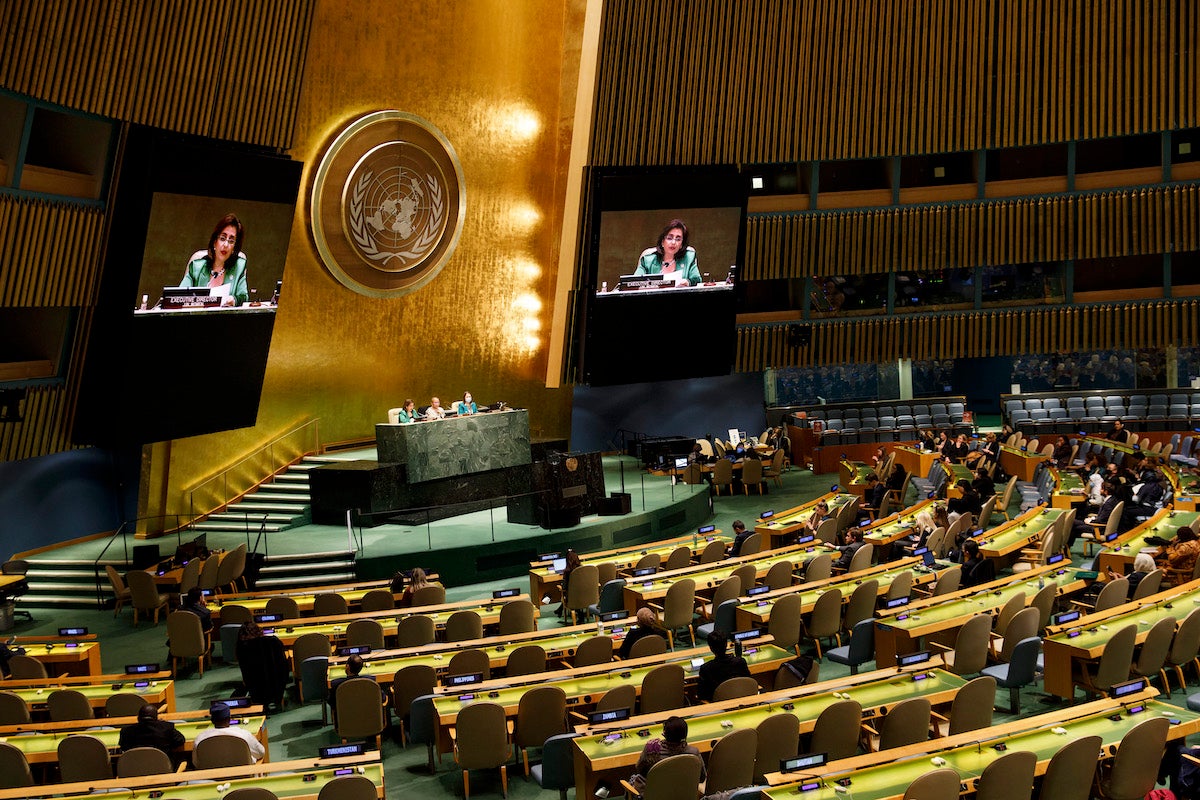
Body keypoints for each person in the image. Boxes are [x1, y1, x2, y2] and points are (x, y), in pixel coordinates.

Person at [180, 213, 248, 307]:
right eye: (222, 238)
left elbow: (243, 297)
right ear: (215, 242)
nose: (226, 245)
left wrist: (233, 300)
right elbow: (179, 296)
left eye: (231, 241)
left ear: (234, 248)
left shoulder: (239, 266)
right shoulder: (197, 267)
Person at [630, 716, 705, 791]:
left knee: (634, 779)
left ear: (665, 733)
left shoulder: (651, 749)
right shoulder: (694, 753)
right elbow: (701, 778)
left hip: (656, 794)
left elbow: (639, 769)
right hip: (683, 794)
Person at [235, 621, 289, 711]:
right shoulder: (273, 642)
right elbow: (284, 667)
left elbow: (246, 675)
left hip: (256, 690)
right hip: (279, 684)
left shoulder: (242, 648)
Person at [634, 219, 701, 287]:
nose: (673, 242)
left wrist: (687, 282)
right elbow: (634, 282)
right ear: (662, 242)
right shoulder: (647, 261)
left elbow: (697, 279)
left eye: (678, 239)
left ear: (681, 244)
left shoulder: (689, 257)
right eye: (669, 238)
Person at [194, 702, 265, 762]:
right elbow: (261, 753)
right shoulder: (243, 735)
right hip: (244, 774)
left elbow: (196, 762)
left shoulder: (200, 738)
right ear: (229, 718)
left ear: (212, 720)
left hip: (212, 778)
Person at [696, 630, 750, 702]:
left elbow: (702, 695)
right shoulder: (740, 662)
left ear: (711, 648)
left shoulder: (706, 668)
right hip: (743, 701)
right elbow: (748, 683)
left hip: (719, 706)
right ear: (726, 644)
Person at [118, 702, 185, 755]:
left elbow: (124, 747)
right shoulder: (167, 728)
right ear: (157, 718)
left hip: (135, 768)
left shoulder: (126, 731)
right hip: (162, 767)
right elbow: (180, 740)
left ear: (138, 718)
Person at [328, 654, 368, 724]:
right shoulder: (370, 681)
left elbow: (332, 702)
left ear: (348, 667)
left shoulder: (336, 684)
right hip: (367, 719)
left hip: (345, 722)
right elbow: (382, 698)